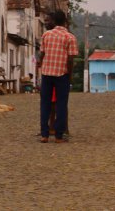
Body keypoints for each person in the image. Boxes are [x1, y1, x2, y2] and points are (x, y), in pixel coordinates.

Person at [37, 10, 78, 143]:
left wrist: (41, 65)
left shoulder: (46, 35)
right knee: (61, 104)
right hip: (62, 74)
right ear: (65, 22)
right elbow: (70, 59)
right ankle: (59, 136)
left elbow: (42, 54)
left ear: (54, 21)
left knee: (45, 104)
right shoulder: (70, 37)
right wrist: (70, 74)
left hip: (47, 73)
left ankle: (44, 134)